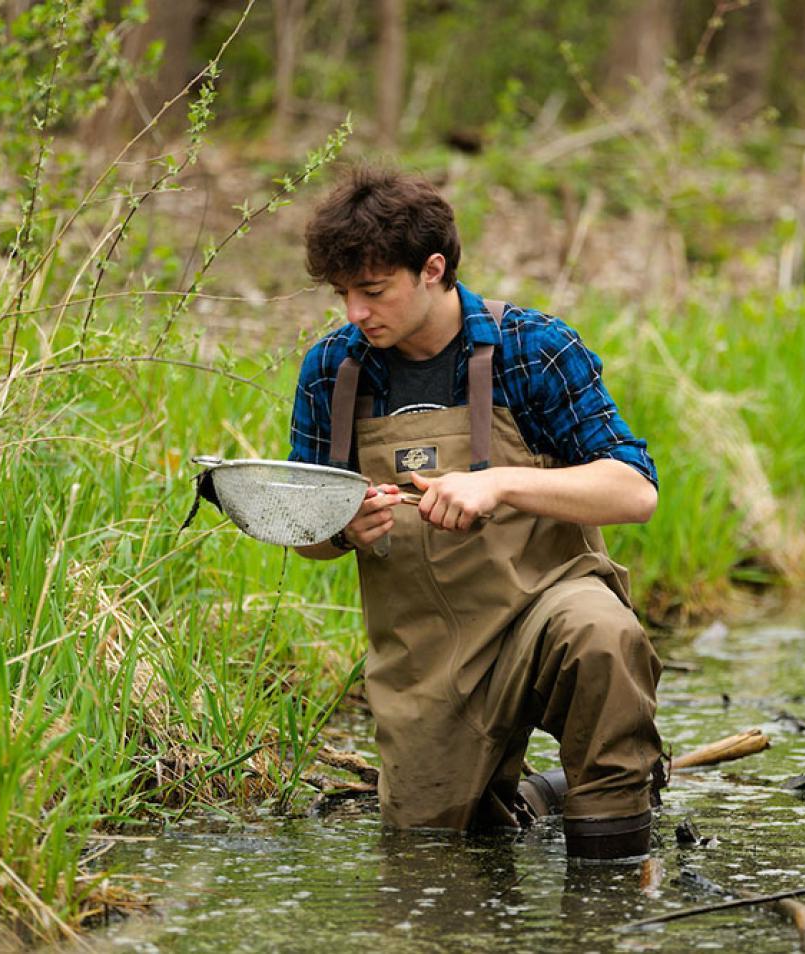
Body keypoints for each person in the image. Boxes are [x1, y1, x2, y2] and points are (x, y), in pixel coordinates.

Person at [288, 166, 664, 862]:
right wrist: (341, 530)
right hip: (425, 660)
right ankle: (527, 796)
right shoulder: (331, 373)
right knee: (435, 856)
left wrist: (503, 486)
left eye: (372, 292)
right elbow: (305, 533)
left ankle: (612, 874)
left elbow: (633, 489)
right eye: (342, 294)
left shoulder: (534, 349)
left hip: (545, 612)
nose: (354, 314)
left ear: (433, 269)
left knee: (601, 636)